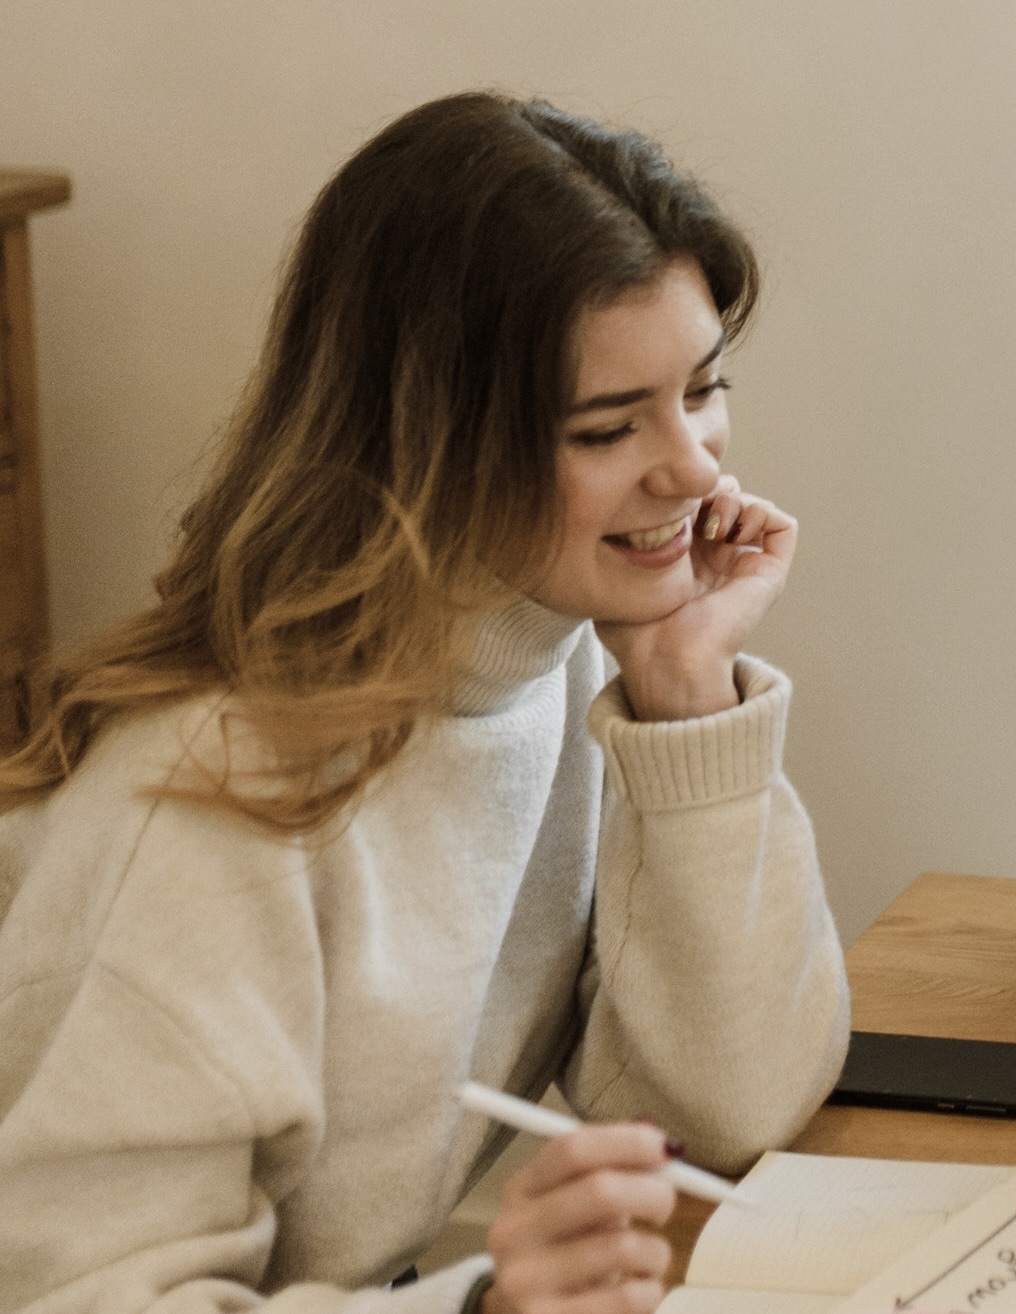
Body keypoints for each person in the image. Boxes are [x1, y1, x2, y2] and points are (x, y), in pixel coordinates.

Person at [0, 93, 848, 1314]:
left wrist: (686, 701)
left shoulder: (565, 659)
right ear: (431, 440)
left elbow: (725, 1108)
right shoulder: (200, 802)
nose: (695, 466)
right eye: (609, 426)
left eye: (703, 389)